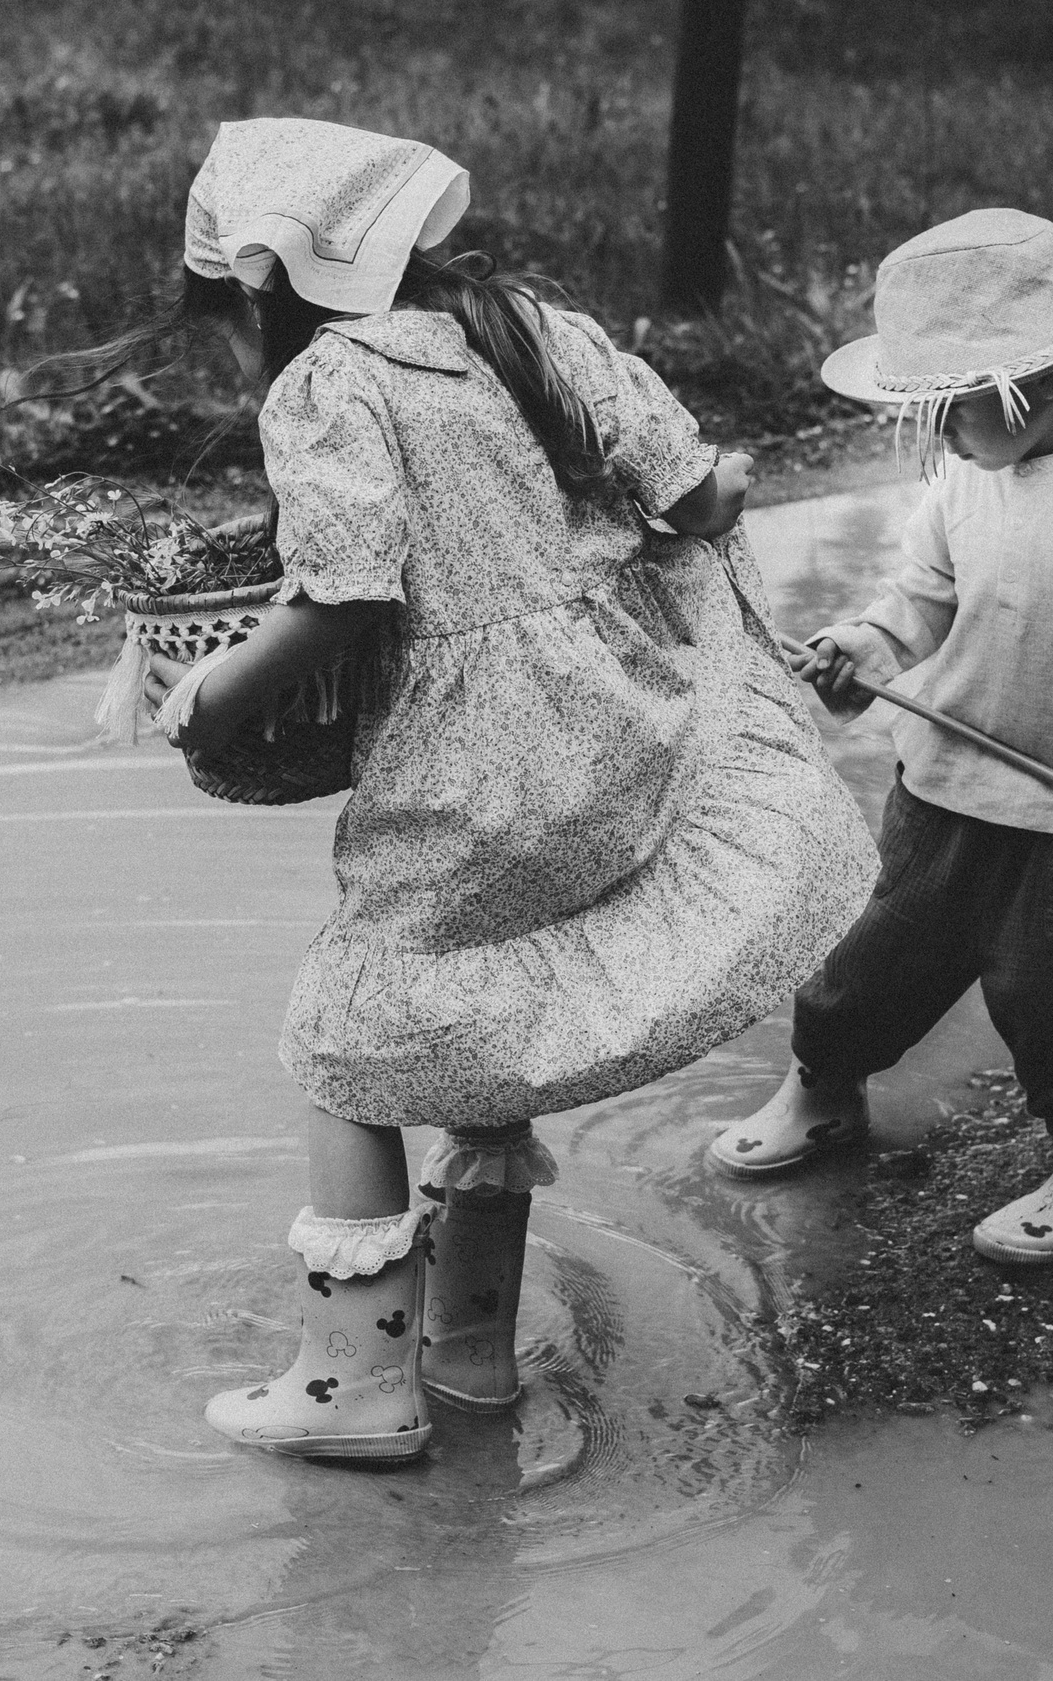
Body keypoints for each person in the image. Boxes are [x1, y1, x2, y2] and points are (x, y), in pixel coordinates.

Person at [107, 119, 874, 1458]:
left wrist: (212, 694)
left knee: (345, 1030)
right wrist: (734, 487)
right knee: (485, 1005)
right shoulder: (529, 324)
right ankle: (468, 1355)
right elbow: (691, 495)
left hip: (471, 768)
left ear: (265, 283)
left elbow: (342, 600)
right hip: (605, 736)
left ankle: (353, 1384)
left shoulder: (330, 385)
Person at [707, 209, 1053, 1268]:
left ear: (1036, 383)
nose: (938, 440)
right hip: (945, 789)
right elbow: (925, 590)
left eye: (948, 414)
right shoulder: (968, 475)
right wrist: (868, 647)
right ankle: (822, 1090)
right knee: (867, 970)